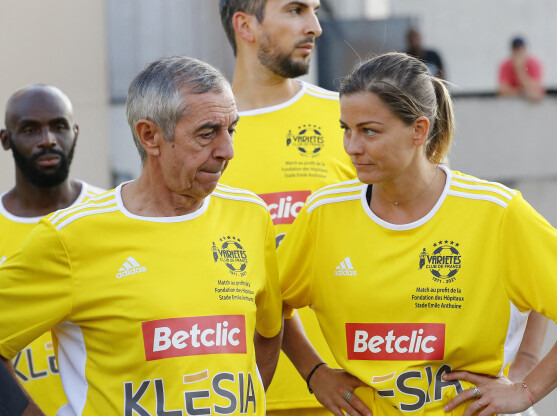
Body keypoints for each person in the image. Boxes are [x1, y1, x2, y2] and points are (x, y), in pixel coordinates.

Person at [277, 52, 557, 416]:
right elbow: (268, 302)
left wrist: (525, 390)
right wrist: (314, 372)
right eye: (346, 129)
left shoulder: (495, 211)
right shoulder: (323, 212)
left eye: (369, 130)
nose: (351, 147)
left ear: (419, 130)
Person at [0, 56, 282, 415]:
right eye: (207, 133)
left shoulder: (251, 214)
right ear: (150, 136)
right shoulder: (70, 237)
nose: (227, 150)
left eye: (232, 130)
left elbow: (271, 330)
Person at [218, 1, 356, 415]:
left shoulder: (350, 119)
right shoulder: (196, 135)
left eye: (314, 10)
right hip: (236, 396)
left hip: (355, 394)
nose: (314, 26)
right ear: (245, 24)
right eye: (295, 10)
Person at [0, 84, 104, 415]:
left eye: (58, 126)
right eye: (30, 129)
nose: (47, 139)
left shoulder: (110, 215)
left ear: (74, 132)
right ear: (6, 139)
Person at [498, 36, 544, 102]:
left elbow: (535, 90)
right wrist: (522, 92)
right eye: (516, 49)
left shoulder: (534, 63)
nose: (518, 52)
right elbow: (502, 91)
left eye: (520, 49)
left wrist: (520, 69)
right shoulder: (505, 65)